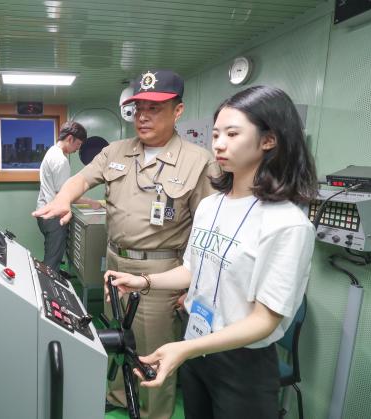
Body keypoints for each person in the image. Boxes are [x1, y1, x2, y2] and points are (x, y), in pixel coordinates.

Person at [106, 85, 317, 418]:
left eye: (233, 134)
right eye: (216, 134)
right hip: (196, 341)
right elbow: (193, 270)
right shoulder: (209, 205)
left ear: (269, 140)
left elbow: (264, 321)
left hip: (241, 361)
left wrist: (186, 348)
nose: (218, 144)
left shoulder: (287, 223)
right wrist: (143, 281)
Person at [33, 70, 219, 419]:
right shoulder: (117, 151)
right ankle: (119, 395)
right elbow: (81, 178)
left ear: (178, 111)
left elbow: (206, 233)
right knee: (121, 340)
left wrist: (193, 287)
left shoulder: (199, 162)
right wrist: (63, 199)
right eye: (138, 109)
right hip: (115, 263)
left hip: (161, 271)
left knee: (155, 353)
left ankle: (153, 414)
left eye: (155, 108)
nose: (143, 116)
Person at [36, 121, 101, 273]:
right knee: (52, 260)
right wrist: (91, 202)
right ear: (70, 139)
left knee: (53, 254)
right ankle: (50, 290)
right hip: (53, 217)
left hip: (44, 212)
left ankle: (55, 273)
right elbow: (63, 196)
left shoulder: (51, 152)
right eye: (78, 144)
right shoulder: (61, 161)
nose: (78, 149)